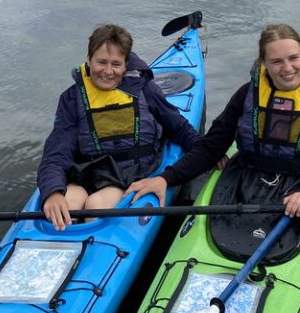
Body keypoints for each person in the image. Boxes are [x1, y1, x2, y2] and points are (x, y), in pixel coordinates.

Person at [128, 23, 300, 263]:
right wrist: (166, 178)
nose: (288, 68)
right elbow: (212, 146)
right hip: (246, 178)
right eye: (276, 62)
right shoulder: (247, 94)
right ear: (263, 62)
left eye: (294, 58)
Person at [38, 23, 199, 230]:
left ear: (126, 65)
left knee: (95, 207)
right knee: (67, 205)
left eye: (116, 64)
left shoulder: (144, 89)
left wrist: (207, 149)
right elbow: (56, 153)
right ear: (89, 60)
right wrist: (52, 192)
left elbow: (178, 127)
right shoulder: (72, 99)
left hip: (129, 174)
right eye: (101, 62)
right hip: (86, 172)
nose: (108, 71)